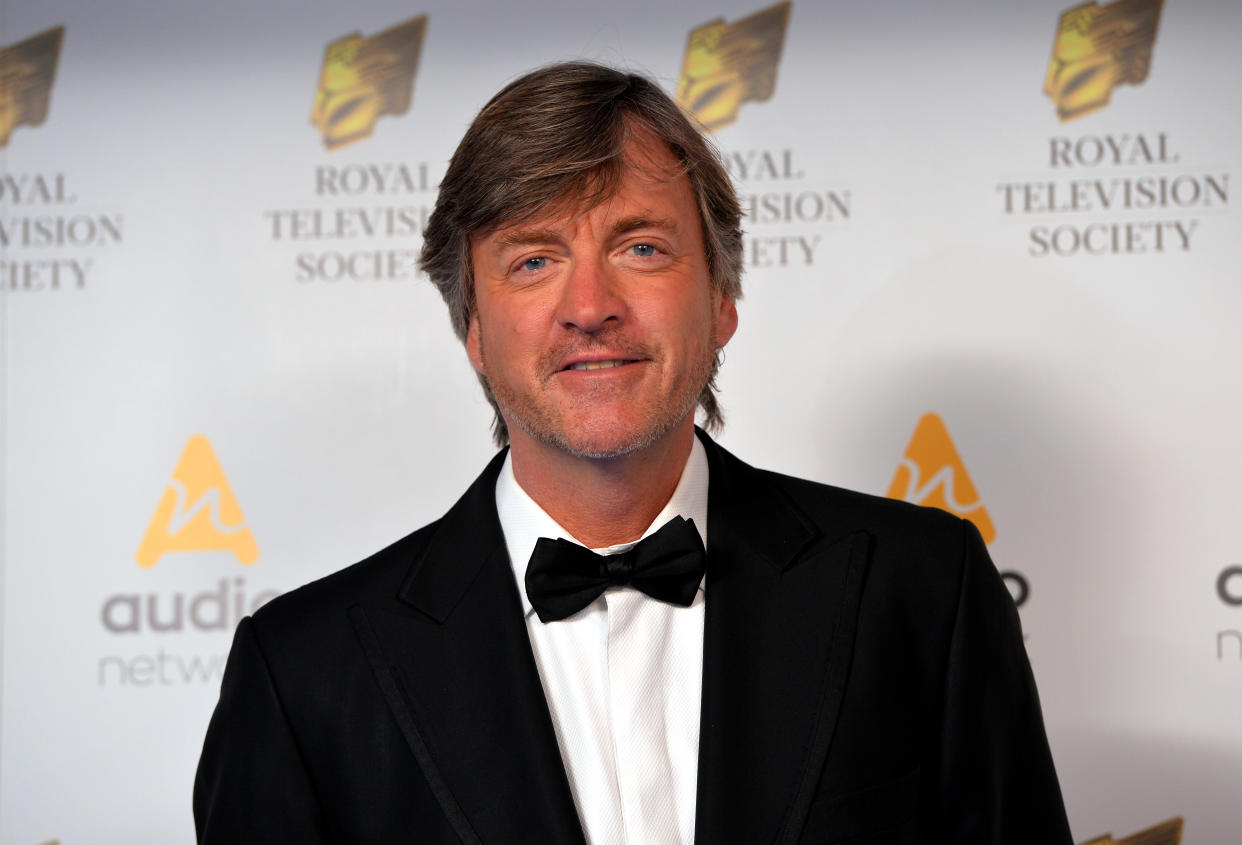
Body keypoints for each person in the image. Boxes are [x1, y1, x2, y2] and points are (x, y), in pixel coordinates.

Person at [194, 61, 1073, 844]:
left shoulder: (923, 591)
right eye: (534, 261)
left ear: (723, 296)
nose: (590, 305)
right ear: (471, 326)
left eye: (641, 247)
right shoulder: (302, 676)